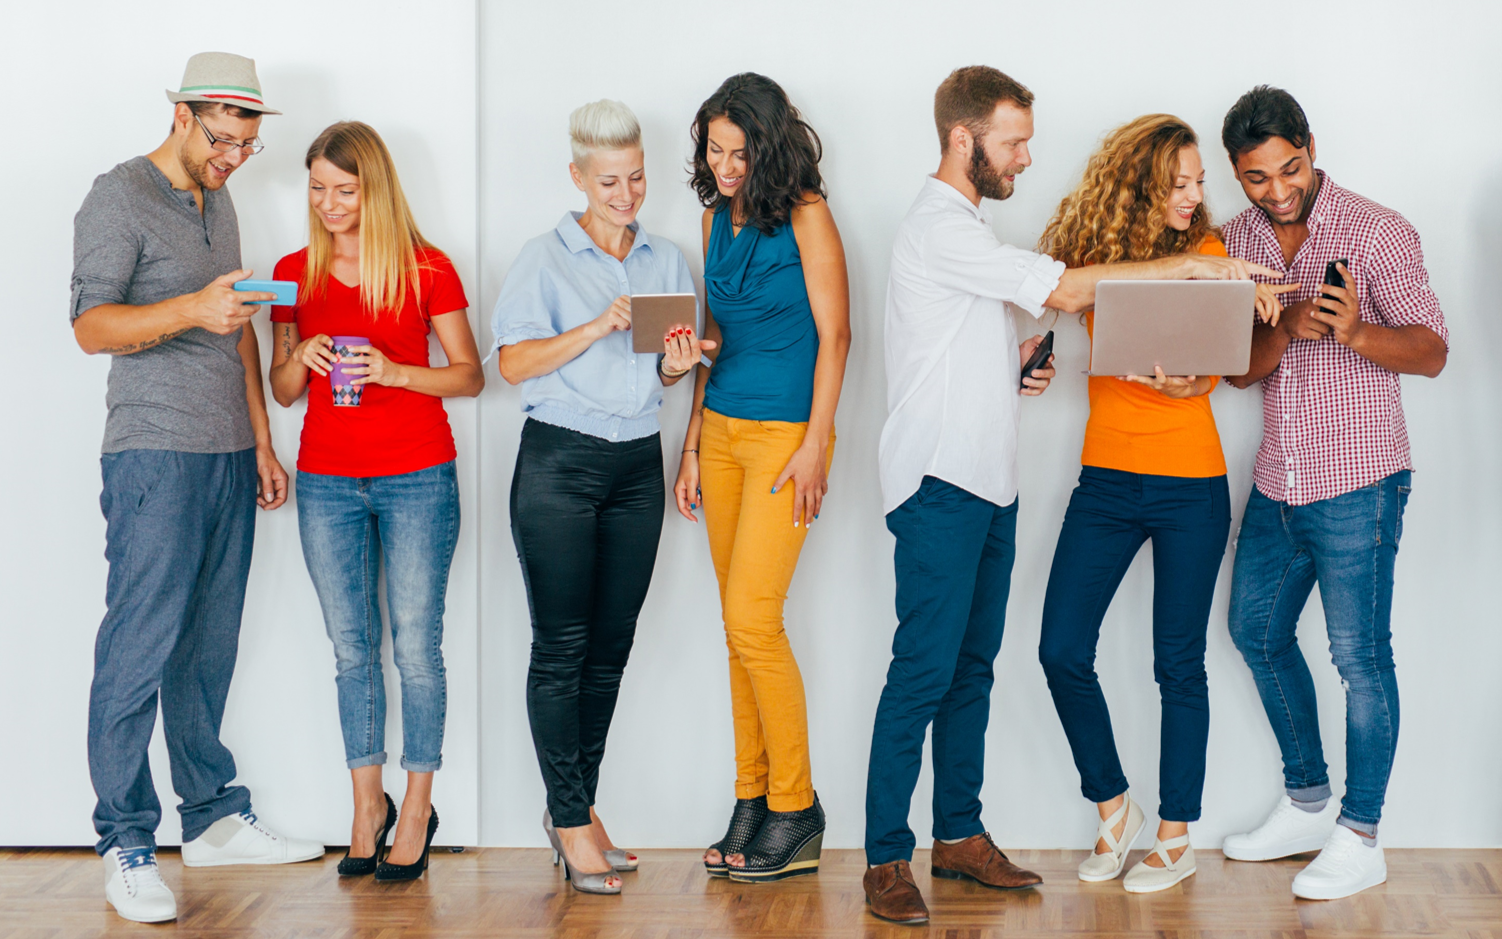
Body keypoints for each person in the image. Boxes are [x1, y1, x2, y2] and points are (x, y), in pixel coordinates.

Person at [861, 67, 1277, 925]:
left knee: (971, 670)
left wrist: (1012, 370)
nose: (1024, 156)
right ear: (962, 140)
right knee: (923, 672)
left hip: (990, 486)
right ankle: (882, 858)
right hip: (940, 483)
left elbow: (971, 341)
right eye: (1012, 141)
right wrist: (1194, 271)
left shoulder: (969, 231)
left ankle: (959, 835)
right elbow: (1062, 288)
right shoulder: (939, 226)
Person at [70, 52, 323, 925]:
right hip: (152, 453)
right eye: (224, 142)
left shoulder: (220, 202)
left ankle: (211, 816)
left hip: (222, 453)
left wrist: (259, 439)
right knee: (139, 643)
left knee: (207, 643)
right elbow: (90, 325)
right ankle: (126, 840)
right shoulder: (118, 195)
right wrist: (190, 309)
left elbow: (238, 328)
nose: (235, 159)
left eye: (247, 146)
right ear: (183, 115)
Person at [1035, 115, 1292, 895]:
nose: (1191, 195)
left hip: (1190, 483)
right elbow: (1045, 305)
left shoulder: (1214, 256)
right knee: (1059, 648)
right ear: (1140, 184)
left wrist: (1192, 381)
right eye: (1176, 183)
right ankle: (1114, 805)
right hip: (1105, 480)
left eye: (1198, 182)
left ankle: (1174, 833)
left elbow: (1210, 368)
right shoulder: (1089, 256)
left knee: (1176, 663)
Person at [1217, 86, 1447, 901]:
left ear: (1310, 146)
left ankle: (1361, 833)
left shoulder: (1378, 230)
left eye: (1289, 168)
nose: (1276, 191)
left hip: (1360, 480)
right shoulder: (1231, 242)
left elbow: (1430, 352)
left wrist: (1352, 330)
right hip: (1278, 478)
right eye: (1255, 178)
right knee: (1254, 631)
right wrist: (1283, 329)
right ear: (1234, 174)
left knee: (1358, 658)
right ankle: (1308, 800)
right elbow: (1236, 369)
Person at [492, 100, 707, 896]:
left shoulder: (664, 259)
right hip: (558, 463)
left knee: (610, 650)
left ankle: (574, 807)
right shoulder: (540, 258)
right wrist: (592, 326)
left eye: (638, 176)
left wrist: (676, 368)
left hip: (635, 465)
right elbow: (512, 365)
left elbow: (656, 370)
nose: (626, 193)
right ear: (577, 177)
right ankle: (570, 817)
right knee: (560, 647)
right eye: (609, 180)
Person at [267, 121, 483, 882]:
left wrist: (393, 371)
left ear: (375, 189)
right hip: (326, 478)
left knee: (416, 649)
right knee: (351, 650)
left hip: (418, 473)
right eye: (318, 189)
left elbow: (468, 375)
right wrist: (297, 354)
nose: (328, 203)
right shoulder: (292, 272)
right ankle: (367, 805)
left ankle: (418, 805)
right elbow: (282, 391)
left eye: (345, 191)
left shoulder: (427, 268)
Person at [671, 73, 851, 884]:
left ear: (770, 146)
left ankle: (797, 805)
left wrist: (817, 443)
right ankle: (751, 799)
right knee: (735, 628)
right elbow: (711, 341)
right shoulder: (713, 218)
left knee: (753, 621)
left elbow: (837, 335)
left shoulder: (808, 214)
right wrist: (690, 442)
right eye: (715, 149)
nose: (727, 163)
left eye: (741, 150)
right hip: (723, 435)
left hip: (786, 438)